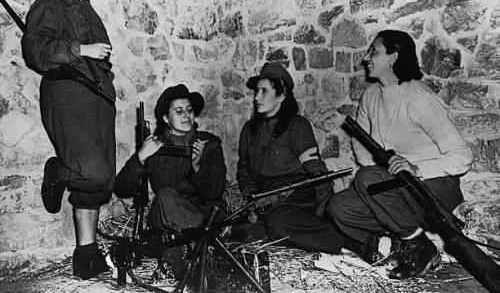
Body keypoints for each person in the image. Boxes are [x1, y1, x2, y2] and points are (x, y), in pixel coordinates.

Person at [327, 30, 472, 278]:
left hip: (435, 187)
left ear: (393, 57)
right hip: (394, 188)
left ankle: (420, 247)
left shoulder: (418, 98)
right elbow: (360, 141)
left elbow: (463, 156)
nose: (366, 58)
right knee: (339, 207)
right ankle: (402, 239)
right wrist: (376, 168)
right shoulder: (371, 95)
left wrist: (416, 169)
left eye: (374, 51)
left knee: (367, 179)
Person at [21, 0, 115, 280]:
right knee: (92, 171)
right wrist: (83, 50)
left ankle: (86, 254)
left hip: (99, 96)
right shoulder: (49, 3)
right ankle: (57, 171)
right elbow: (36, 50)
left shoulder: (85, 5)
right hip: (68, 94)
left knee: (100, 183)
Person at [233, 62, 347, 254]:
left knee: (278, 222)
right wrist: (251, 196)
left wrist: (322, 215)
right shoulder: (249, 130)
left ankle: (342, 240)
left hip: (296, 199)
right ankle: (296, 240)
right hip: (265, 200)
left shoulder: (297, 126)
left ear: (281, 95)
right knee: (240, 233)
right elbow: (244, 169)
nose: (256, 97)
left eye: (264, 91)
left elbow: (317, 173)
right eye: (256, 91)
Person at [114, 84, 226, 254]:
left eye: (189, 110)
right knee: (166, 197)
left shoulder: (209, 143)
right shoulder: (156, 146)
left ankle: (202, 251)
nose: (187, 115)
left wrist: (197, 167)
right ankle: (200, 252)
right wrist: (141, 156)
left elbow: (215, 192)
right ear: (166, 118)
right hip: (169, 219)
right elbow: (122, 188)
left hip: (203, 216)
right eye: (179, 111)